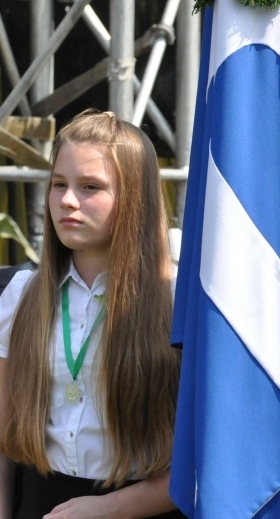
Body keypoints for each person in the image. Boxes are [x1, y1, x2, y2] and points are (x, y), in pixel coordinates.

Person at [0, 110, 183, 518]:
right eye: (59, 184)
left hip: (146, 506)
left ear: (135, 196)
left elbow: (210, 454)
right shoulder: (20, 296)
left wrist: (111, 508)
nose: (67, 200)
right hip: (39, 502)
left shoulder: (176, 297)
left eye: (90, 187)